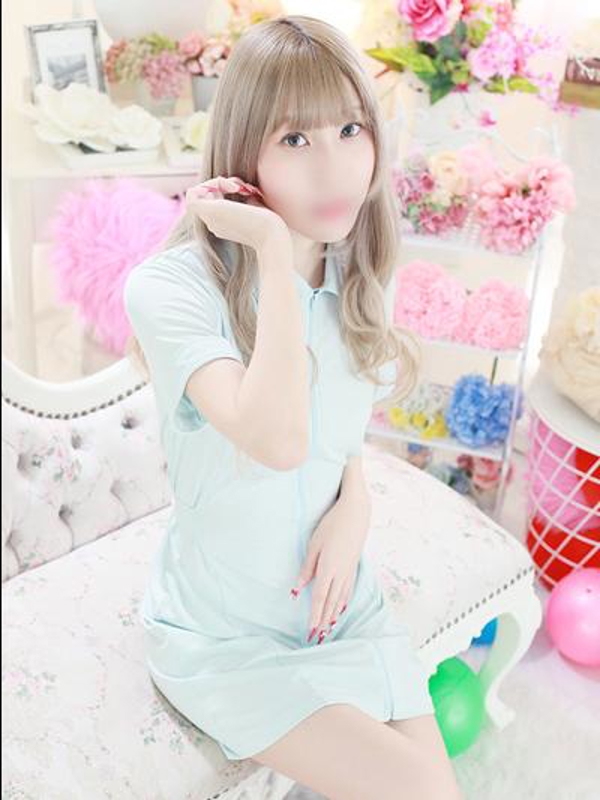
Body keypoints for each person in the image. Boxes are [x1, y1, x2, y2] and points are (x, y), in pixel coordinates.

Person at [123, 14, 463, 800]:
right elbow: (275, 441)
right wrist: (273, 255)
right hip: (226, 637)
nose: (333, 167)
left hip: (338, 605)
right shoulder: (170, 289)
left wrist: (356, 507)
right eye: (295, 138)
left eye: (349, 129)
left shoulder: (359, 277)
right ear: (244, 153)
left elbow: (337, 442)